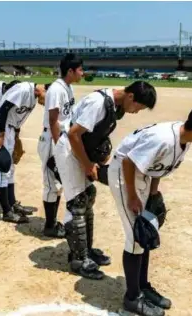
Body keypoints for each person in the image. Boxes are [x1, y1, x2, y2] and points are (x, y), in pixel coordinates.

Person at [107, 103, 192, 316]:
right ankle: (132, 298)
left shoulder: (185, 140)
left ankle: (142, 287)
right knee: (136, 237)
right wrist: (133, 196)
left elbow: (156, 166)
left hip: (140, 175)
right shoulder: (163, 138)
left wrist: (153, 192)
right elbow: (128, 162)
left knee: (146, 233)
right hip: (124, 175)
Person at [53, 81, 157, 280]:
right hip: (69, 150)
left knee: (88, 196)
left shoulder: (114, 103)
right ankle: (78, 259)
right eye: (139, 107)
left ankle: (86, 250)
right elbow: (74, 134)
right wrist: (86, 164)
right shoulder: (98, 103)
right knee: (77, 202)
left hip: (80, 150)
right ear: (131, 97)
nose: (136, 112)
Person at [0, 81, 50, 223]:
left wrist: (15, 138)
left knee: (10, 169)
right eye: (47, 99)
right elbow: (4, 109)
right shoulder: (23, 89)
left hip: (10, 131)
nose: (46, 104)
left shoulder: (33, 98)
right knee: (2, 171)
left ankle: (12, 204)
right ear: (44, 90)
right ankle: (6, 212)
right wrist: (1, 135)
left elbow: (17, 119)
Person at [37, 53, 83, 238]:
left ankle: (53, 222)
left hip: (60, 139)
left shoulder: (67, 87)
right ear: (70, 71)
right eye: (80, 69)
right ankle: (49, 226)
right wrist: (58, 148)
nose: (82, 73)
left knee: (58, 184)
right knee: (52, 185)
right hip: (51, 140)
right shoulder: (57, 89)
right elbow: (53, 119)